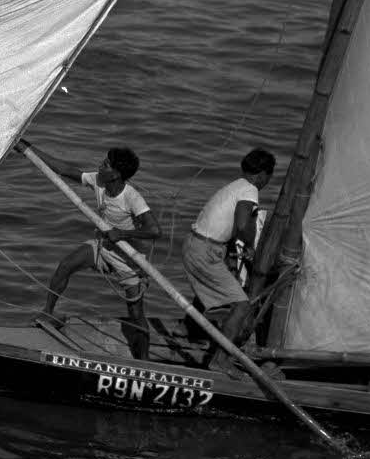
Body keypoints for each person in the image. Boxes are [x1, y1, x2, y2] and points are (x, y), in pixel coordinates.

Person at [38, 145, 160, 357]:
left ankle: (144, 361)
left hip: (128, 258)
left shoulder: (132, 198)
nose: (99, 166)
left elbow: (154, 230)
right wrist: (29, 149)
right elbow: (65, 169)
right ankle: (48, 313)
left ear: (116, 174)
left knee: (136, 313)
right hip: (102, 246)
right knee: (66, 265)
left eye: (105, 165)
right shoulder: (99, 181)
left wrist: (121, 234)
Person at [183, 148, 276, 338]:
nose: (268, 182)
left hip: (195, 244)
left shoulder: (235, 185)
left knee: (209, 286)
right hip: (205, 250)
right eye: (269, 176)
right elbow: (242, 225)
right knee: (242, 305)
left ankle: (189, 328)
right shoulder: (250, 189)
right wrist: (249, 246)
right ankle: (221, 358)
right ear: (261, 175)